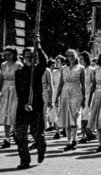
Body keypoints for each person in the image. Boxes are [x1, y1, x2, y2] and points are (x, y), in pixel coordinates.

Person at [14, 37, 48, 169]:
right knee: (20, 135)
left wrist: (38, 47)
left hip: (36, 106)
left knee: (36, 133)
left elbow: (44, 61)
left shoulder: (38, 70)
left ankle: (41, 146)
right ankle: (25, 160)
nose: (29, 58)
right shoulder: (19, 72)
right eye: (27, 56)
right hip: (23, 107)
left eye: (32, 56)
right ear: (23, 57)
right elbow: (19, 90)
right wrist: (24, 104)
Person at [55, 49, 86, 151]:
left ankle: (74, 139)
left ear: (76, 56)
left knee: (74, 116)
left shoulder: (81, 68)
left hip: (76, 93)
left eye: (72, 56)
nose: (71, 58)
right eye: (69, 56)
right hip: (65, 93)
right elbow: (60, 84)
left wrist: (84, 98)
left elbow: (83, 84)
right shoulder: (63, 68)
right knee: (67, 118)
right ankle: (68, 141)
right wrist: (56, 97)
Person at [0, 46, 23, 149]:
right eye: (5, 54)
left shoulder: (18, 65)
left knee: (13, 113)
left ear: (14, 54)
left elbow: (22, 81)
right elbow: (1, 79)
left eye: (9, 54)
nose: (7, 57)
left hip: (15, 90)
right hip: (5, 90)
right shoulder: (3, 65)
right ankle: (6, 138)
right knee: (5, 114)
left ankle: (16, 134)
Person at [79, 51, 95, 144]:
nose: (80, 60)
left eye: (81, 58)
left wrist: (91, 96)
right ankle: (85, 133)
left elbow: (93, 84)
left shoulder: (91, 70)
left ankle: (87, 134)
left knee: (86, 114)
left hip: (88, 93)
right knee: (81, 115)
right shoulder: (79, 69)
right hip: (79, 93)